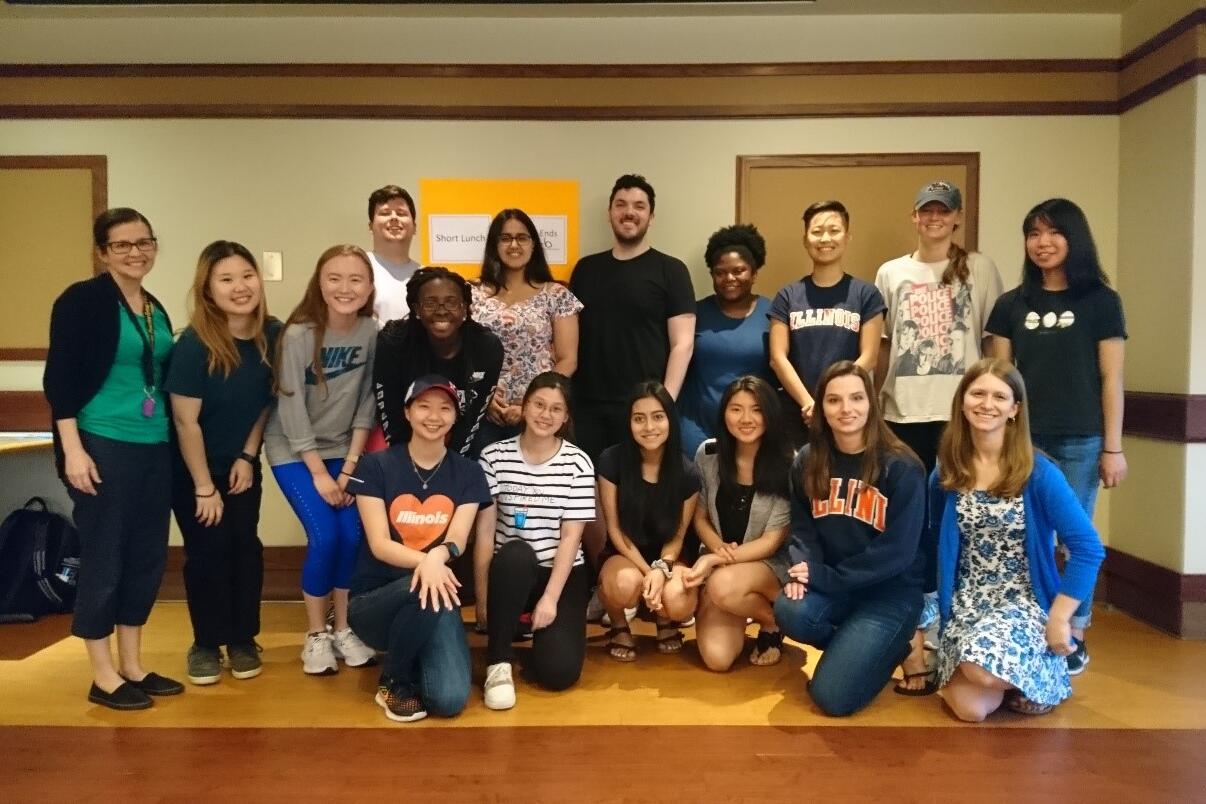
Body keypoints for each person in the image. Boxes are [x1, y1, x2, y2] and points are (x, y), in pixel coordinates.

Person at [44, 207, 183, 710]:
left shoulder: (153, 306)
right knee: (106, 555)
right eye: (122, 245)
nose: (135, 252)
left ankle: (132, 665)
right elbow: (59, 379)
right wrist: (73, 450)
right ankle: (102, 675)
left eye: (144, 242)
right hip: (101, 442)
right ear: (102, 252)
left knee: (146, 556)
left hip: (154, 444)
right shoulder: (82, 301)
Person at [874, 180, 1003, 692]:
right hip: (902, 413)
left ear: (956, 218)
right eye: (925, 211)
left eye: (942, 212)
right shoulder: (891, 272)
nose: (933, 219)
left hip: (962, 415)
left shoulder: (981, 268)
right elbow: (881, 346)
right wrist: (872, 405)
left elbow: (993, 345)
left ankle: (959, 622)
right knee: (911, 520)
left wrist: (1004, 404)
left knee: (957, 515)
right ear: (914, 216)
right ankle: (916, 627)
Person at [987, 198, 1126, 674]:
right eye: (1033, 234)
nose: (1042, 243)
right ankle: (1030, 621)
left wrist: (1113, 447)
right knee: (1027, 536)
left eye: (1053, 233)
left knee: (1074, 539)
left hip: (1082, 441)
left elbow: (1112, 379)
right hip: (1023, 441)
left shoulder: (1102, 302)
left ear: (1074, 238)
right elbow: (1000, 380)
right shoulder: (1011, 304)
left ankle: (1074, 629)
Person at [932, 358, 1104, 721]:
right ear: (962, 401)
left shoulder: (1038, 472)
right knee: (971, 710)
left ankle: (1026, 669)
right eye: (977, 393)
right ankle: (1021, 677)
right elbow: (932, 542)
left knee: (980, 672)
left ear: (1015, 409)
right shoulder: (947, 469)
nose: (986, 404)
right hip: (967, 605)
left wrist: (1060, 618)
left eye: (999, 396)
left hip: (1021, 604)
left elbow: (1088, 548)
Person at [772, 362, 926, 716]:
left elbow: (898, 553)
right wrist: (803, 569)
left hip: (890, 594)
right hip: (837, 587)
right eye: (834, 400)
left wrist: (827, 578)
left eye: (857, 398)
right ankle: (872, 650)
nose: (846, 409)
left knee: (831, 699)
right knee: (790, 610)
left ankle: (890, 643)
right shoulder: (808, 462)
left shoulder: (902, 467)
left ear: (872, 403)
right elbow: (803, 528)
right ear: (820, 408)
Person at [166, 241, 280, 686]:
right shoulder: (195, 343)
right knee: (208, 552)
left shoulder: (273, 333)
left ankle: (243, 639)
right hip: (194, 469)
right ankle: (206, 643)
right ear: (208, 288)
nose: (240, 287)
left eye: (247, 276)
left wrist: (249, 455)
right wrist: (203, 486)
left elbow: (266, 404)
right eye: (226, 279)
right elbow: (185, 421)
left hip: (241, 464)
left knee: (245, 548)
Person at [347, 376, 492, 722]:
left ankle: (411, 659)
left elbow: (456, 539)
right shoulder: (375, 466)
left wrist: (436, 558)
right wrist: (428, 563)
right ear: (408, 412)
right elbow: (380, 545)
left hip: (436, 597)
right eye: (424, 406)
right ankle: (393, 679)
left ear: (455, 418)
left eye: (445, 408)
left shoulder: (469, 473)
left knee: (450, 700)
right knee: (422, 583)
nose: (434, 416)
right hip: (375, 603)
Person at [264, 244, 379, 675]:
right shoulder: (298, 333)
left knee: (352, 538)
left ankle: (343, 628)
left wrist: (348, 469)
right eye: (335, 278)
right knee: (325, 537)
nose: (345, 288)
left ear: (369, 288)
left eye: (356, 279)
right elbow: (290, 408)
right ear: (319, 282)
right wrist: (319, 474)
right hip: (294, 450)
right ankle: (315, 635)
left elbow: (368, 401)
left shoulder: (371, 331)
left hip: (343, 452)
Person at [474, 372, 595, 710]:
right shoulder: (494, 457)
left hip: (559, 572)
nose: (546, 415)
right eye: (539, 404)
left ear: (566, 417)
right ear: (524, 407)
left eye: (556, 409)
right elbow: (484, 534)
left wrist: (550, 600)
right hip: (511, 570)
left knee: (558, 673)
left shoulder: (578, 463)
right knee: (515, 554)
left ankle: (530, 632)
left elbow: (572, 538)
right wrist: (483, 600)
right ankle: (498, 662)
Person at [570, 174, 696, 461]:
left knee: (643, 494)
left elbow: (683, 344)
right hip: (588, 408)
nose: (629, 212)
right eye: (621, 204)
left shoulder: (671, 270)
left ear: (651, 216)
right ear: (610, 213)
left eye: (639, 206)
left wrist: (663, 403)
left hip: (645, 410)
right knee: (594, 497)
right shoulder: (586, 269)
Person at [678, 376, 793, 671]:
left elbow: (772, 540)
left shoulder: (786, 461)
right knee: (718, 659)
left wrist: (715, 560)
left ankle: (773, 622)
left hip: (767, 563)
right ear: (724, 413)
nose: (746, 419)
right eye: (736, 409)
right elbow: (700, 517)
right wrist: (715, 550)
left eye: (756, 409)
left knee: (722, 585)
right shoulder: (708, 454)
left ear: (770, 414)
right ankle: (762, 616)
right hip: (721, 563)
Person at [596, 381, 700, 661]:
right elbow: (615, 530)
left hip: (669, 556)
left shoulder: (687, 471)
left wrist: (661, 568)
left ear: (670, 420)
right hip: (624, 552)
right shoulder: (611, 461)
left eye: (658, 417)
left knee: (679, 601)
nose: (649, 427)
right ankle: (619, 625)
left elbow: (677, 537)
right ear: (628, 423)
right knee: (624, 584)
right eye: (639, 418)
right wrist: (647, 573)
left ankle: (665, 620)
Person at [769, 201, 886, 449]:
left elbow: (870, 356)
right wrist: (809, 404)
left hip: (849, 413)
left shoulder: (867, 294)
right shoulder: (788, 296)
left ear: (847, 236)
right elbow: (778, 357)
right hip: (798, 414)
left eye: (834, 230)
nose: (825, 238)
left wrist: (833, 402)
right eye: (817, 231)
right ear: (805, 239)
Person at [472, 209, 582, 446]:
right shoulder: (471, 293)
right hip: (483, 412)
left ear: (534, 245)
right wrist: (483, 398)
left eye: (522, 237)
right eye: (505, 238)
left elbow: (568, 359)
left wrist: (529, 404)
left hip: (539, 416)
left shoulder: (556, 295)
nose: (514, 244)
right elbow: (460, 353)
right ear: (494, 245)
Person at [374, 267, 503, 458]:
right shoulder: (393, 343)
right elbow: (391, 415)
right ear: (417, 309)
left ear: (464, 307)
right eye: (430, 303)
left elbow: (473, 419)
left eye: (451, 302)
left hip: (459, 437)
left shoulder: (486, 347)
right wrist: (407, 463)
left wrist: (451, 465)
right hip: (406, 437)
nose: (441, 311)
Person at [678, 224, 776, 457]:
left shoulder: (773, 314)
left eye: (738, 270)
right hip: (696, 432)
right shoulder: (693, 313)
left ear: (754, 272)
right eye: (720, 272)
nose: (729, 278)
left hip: (754, 435)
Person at [365, 185, 420, 325]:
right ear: (371, 226)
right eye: (385, 213)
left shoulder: (423, 275)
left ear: (414, 227)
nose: (394, 218)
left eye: (401, 213)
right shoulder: (356, 268)